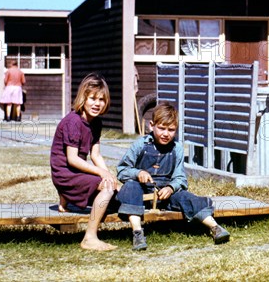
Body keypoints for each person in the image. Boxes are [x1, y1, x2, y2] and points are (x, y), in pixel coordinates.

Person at [116, 102, 230, 250]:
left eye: (171, 130)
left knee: (187, 197)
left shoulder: (177, 149)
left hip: (165, 194)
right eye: (162, 128)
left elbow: (180, 178)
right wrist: (138, 173)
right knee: (130, 187)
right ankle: (137, 233)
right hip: (141, 194)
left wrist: (171, 187)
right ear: (151, 126)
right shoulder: (140, 145)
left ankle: (215, 227)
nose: (166, 134)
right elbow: (122, 170)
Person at [50, 73, 118, 251]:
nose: (97, 104)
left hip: (76, 171)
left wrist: (109, 175)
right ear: (83, 98)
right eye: (93, 98)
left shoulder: (96, 123)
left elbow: (96, 155)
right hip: (64, 173)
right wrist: (102, 176)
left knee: (112, 187)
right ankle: (90, 237)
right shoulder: (73, 122)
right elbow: (72, 159)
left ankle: (65, 199)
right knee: (107, 189)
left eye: (102, 99)